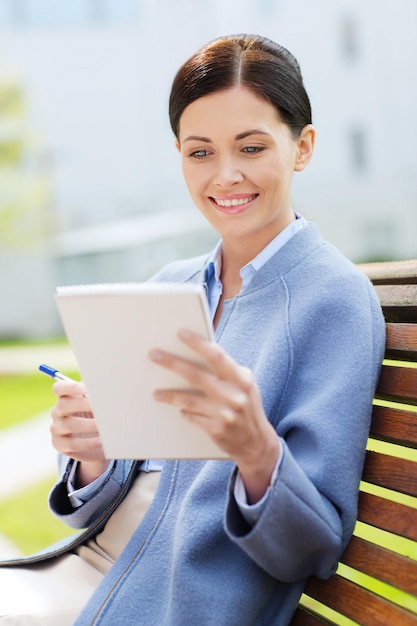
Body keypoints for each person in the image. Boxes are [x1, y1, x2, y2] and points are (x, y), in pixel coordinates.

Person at [0, 34, 385, 625]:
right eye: (200, 152)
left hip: (173, 602)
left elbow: (313, 545)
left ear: (302, 147)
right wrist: (94, 455)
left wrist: (256, 451)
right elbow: (91, 507)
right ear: (178, 153)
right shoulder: (169, 286)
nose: (226, 175)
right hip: (94, 566)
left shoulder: (333, 301)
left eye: (251, 147)